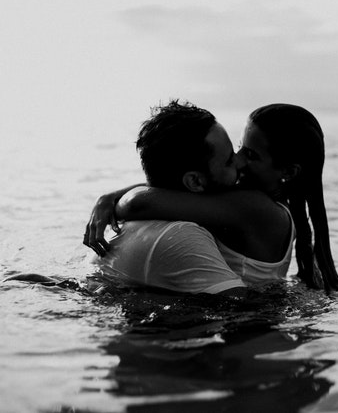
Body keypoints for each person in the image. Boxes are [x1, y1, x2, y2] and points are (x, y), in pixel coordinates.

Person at [85, 103, 338, 294]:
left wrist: (112, 200)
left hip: (245, 323)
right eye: (240, 148)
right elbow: (177, 190)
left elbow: (141, 203)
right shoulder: (247, 201)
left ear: (288, 172)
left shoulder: (256, 208)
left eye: (251, 156)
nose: (239, 160)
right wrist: (110, 197)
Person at [85, 100, 247, 296]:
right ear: (195, 181)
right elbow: (239, 305)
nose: (241, 162)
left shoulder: (130, 224)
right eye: (229, 161)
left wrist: (109, 198)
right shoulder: (182, 234)